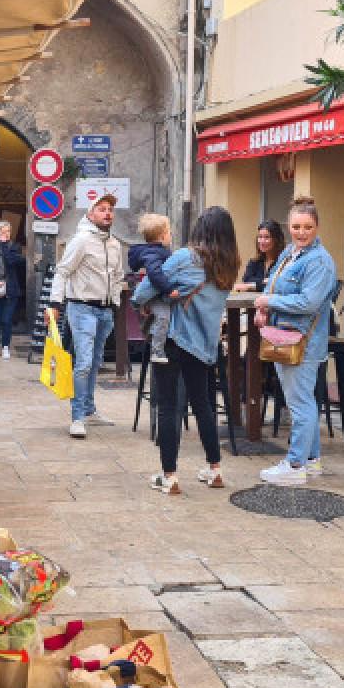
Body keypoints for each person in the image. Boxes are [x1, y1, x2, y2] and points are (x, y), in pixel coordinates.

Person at [133, 207, 239, 492]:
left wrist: (148, 300)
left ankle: (169, 476)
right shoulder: (230, 265)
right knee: (203, 404)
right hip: (205, 344)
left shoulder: (184, 257)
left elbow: (142, 292)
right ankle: (214, 469)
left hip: (174, 340)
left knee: (168, 407)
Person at [255, 195, 337, 485]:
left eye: (308, 227)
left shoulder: (319, 262)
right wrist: (266, 308)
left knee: (300, 403)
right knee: (303, 400)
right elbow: (278, 285)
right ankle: (311, 459)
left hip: (303, 341)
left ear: (317, 227)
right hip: (287, 335)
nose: (301, 232)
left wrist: (270, 299)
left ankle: (295, 465)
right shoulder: (292, 252)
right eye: (296, 226)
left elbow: (308, 302)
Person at [48, 194, 125, 439]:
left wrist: (115, 302)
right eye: (102, 209)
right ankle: (77, 417)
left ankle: (90, 410)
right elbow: (62, 271)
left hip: (104, 310)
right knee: (82, 363)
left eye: (110, 209)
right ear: (91, 215)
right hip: (81, 308)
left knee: (95, 362)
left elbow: (118, 275)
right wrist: (55, 303)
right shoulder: (81, 240)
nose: (107, 213)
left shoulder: (114, 244)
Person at [127, 214, 180, 364]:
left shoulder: (155, 251)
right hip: (157, 294)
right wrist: (169, 289)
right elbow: (155, 273)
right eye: (169, 232)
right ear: (162, 236)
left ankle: (152, 332)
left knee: (161, 317)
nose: (171, 236)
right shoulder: (155, 253)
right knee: (163, 317)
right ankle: (157, 351)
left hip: (156, 292)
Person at [0, 219, 24, 358]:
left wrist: (3, 245)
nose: (6, 234)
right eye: (3, 231)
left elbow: (10, 261)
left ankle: (6, 346)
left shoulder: (15, 247)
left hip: (10, 288)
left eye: (8, 231)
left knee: (6, 320)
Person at [234, 220, 286, 292]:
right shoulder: (254, 262)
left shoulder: (284, 262)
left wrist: (252, 285)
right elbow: (246, 281)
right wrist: (265, 281)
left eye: (267, 237)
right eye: (260, 237)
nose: (262, 241)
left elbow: (278, 285)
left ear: (276, 240)